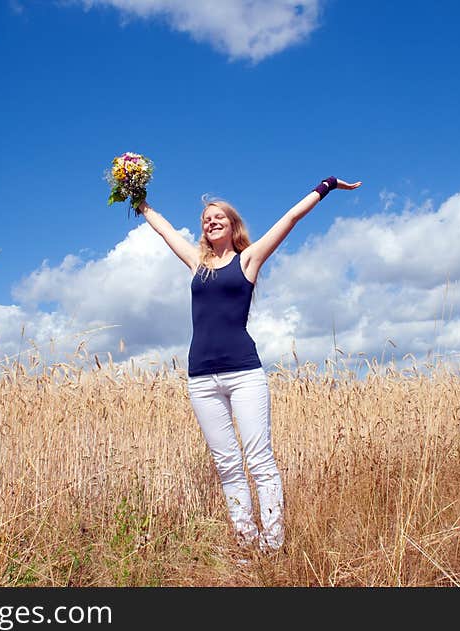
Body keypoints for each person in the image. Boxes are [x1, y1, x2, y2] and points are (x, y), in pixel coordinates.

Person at [137, 175, 362, 552]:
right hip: (201, 378)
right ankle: (247, 543)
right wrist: (138, 201)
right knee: (227, 466)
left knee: (259, 460)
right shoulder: (197, 264)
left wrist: (327, 186)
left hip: (244, 374)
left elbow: (291, 217)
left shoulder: (249, 259)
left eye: (218, 217)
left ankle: (272, 547)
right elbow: (163, 230)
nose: (210, 222)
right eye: (206, 219)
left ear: (232, 224)